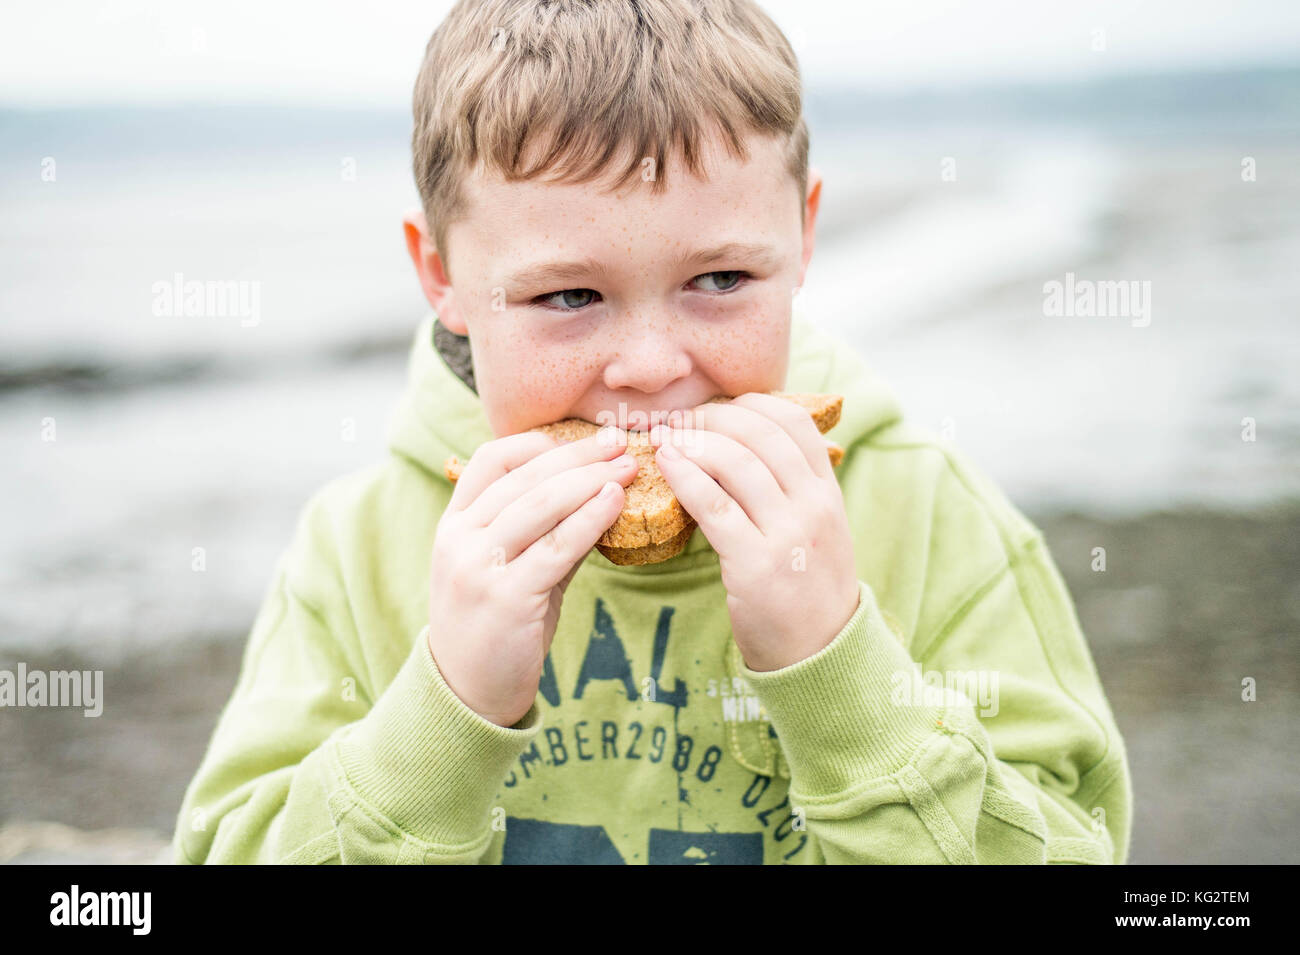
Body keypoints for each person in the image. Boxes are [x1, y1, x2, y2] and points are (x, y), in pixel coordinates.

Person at [173, 0, 1131, 864]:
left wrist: (840, 672)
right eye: (568, 295)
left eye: (719, 281)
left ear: (801, 237)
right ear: (443, 278)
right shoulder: (359, 547)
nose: (650, 364)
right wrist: (448, 709)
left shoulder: (926, 512)